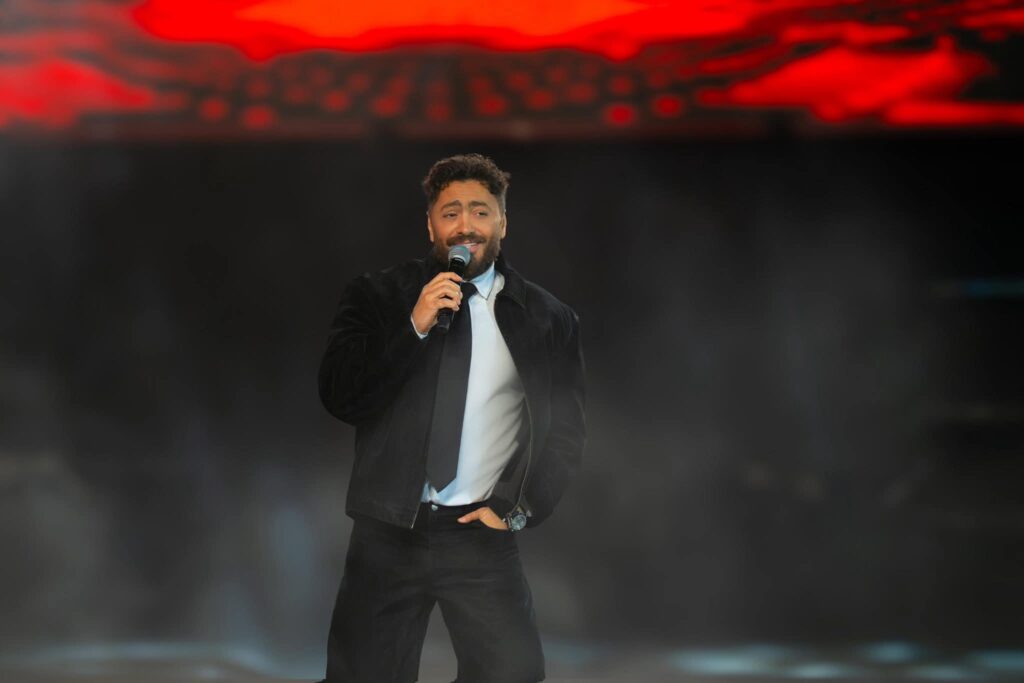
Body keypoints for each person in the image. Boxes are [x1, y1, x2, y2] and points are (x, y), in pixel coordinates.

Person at [316, 153, 586, 683]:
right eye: (451, 212)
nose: (466, 225)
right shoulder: (378, 296)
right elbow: (341, 397)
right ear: (431, 226)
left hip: (479, 537)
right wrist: (413, 327)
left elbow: (566, 434)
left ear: (503, 222)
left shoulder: (548, 319)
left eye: (481, 212)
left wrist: (520, 509)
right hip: (388, 532)